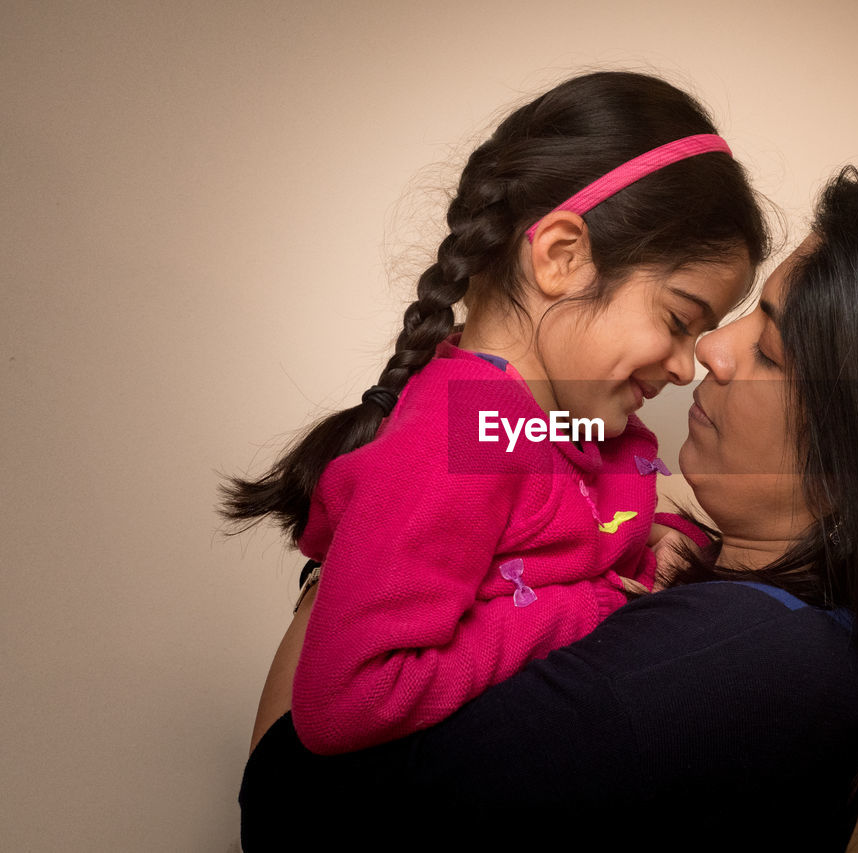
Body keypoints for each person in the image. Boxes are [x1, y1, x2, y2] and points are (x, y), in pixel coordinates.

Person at [238, 169, 858, 852]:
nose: (711, 355)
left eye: (770, 350)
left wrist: (379, 524)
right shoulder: (750, 601)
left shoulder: (739, 665)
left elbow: (290, 810)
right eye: (739, 317)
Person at [220, 71, 768, 756]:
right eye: (679, 319)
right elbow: (350, 700)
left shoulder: (574, 428)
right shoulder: (456, 445)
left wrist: (660, 535)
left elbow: (582, 525)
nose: (687, 367)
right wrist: (590, 605)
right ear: (563, 257)